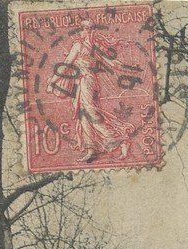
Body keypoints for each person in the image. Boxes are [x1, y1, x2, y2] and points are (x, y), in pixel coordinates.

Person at [46, 19, 135, 162]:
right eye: (85, 29)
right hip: (88, 82)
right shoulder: (94, 47)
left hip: (85, 81)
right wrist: (129, 68)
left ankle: (120, 140)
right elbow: (113, 63)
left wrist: (52, 82)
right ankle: (91, 149)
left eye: (86, 28)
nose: (85, 31)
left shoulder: (79, 45)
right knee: (83, 115)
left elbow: (65, 65)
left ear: (85, 30)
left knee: (90, 114)